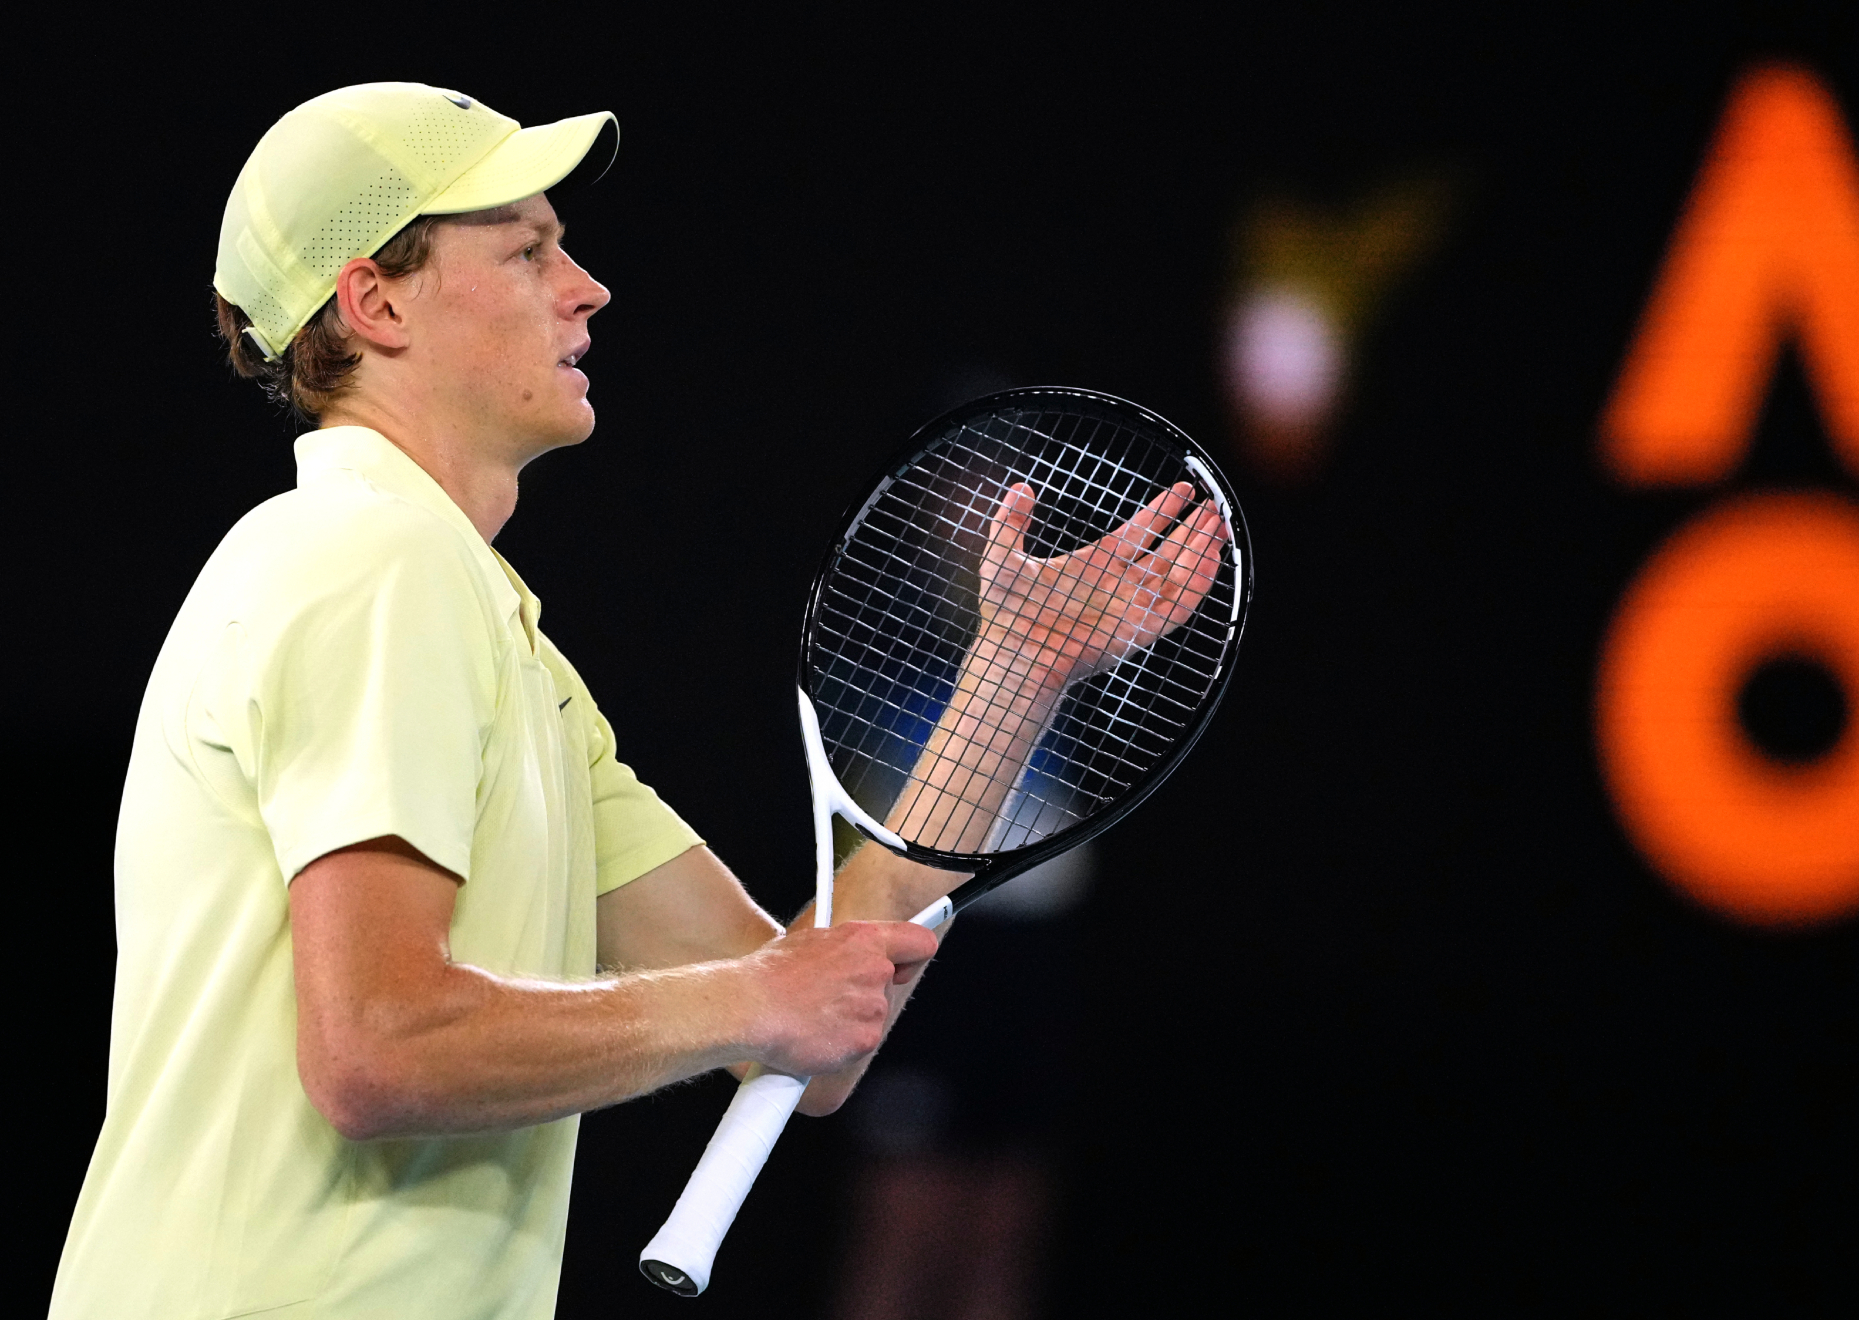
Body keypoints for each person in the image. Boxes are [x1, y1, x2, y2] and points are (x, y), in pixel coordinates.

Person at [49, 81, 1222, 1320]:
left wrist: (1013, 675)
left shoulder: (502, 645)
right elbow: (379, 1047)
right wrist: (753, 1003)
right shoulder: (367, 562)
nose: (586, 286)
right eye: (526, 249)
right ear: (374, 300)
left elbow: (806, 1032)